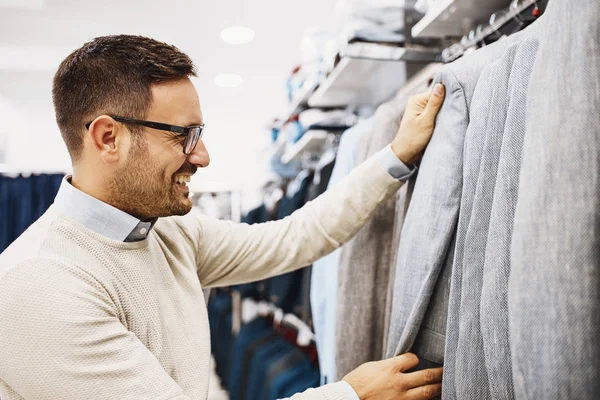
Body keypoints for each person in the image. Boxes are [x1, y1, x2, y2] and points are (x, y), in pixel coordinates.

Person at [0, 35, 446, 400]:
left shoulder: (167, 231)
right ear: (108, 138)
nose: (203, 156)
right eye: (185, 136)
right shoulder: (40, 286)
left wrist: (395, 155)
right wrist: (351, 395)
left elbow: (296, 236)